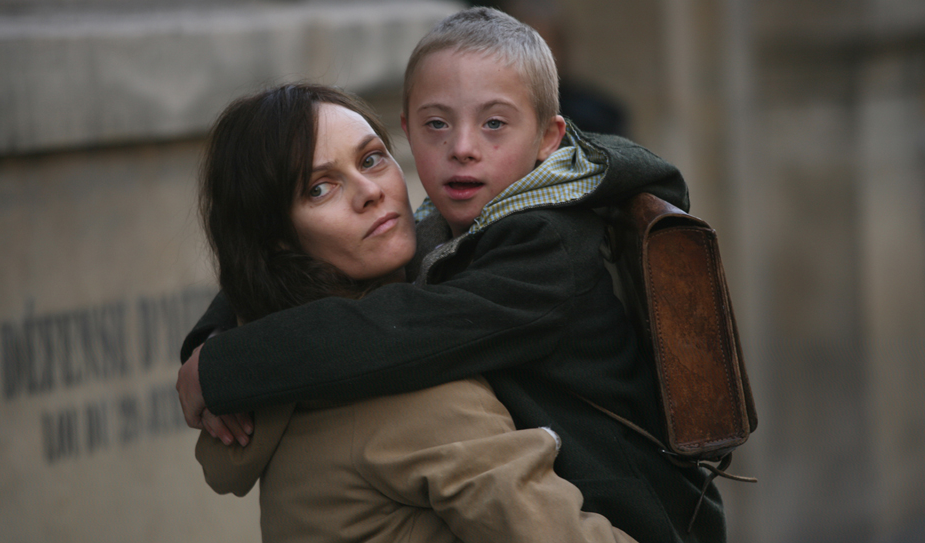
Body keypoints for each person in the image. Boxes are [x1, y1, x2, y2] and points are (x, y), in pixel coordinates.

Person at [178, 7, 726, 542]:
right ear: (409, 131)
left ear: (547, 138)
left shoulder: (545, 250)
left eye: (370, 159)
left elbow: (399, 328)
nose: (463, 148)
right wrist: (213, 337)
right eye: (437, 124)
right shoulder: (450, 221)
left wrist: (226, 364)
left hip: (645, 511)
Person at [193, 82, 637, 543]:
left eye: (371, 158)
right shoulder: (417, 400)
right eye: (320, 188)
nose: (369, 191)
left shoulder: (282, 362)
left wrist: (211, 347)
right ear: (277, 239)